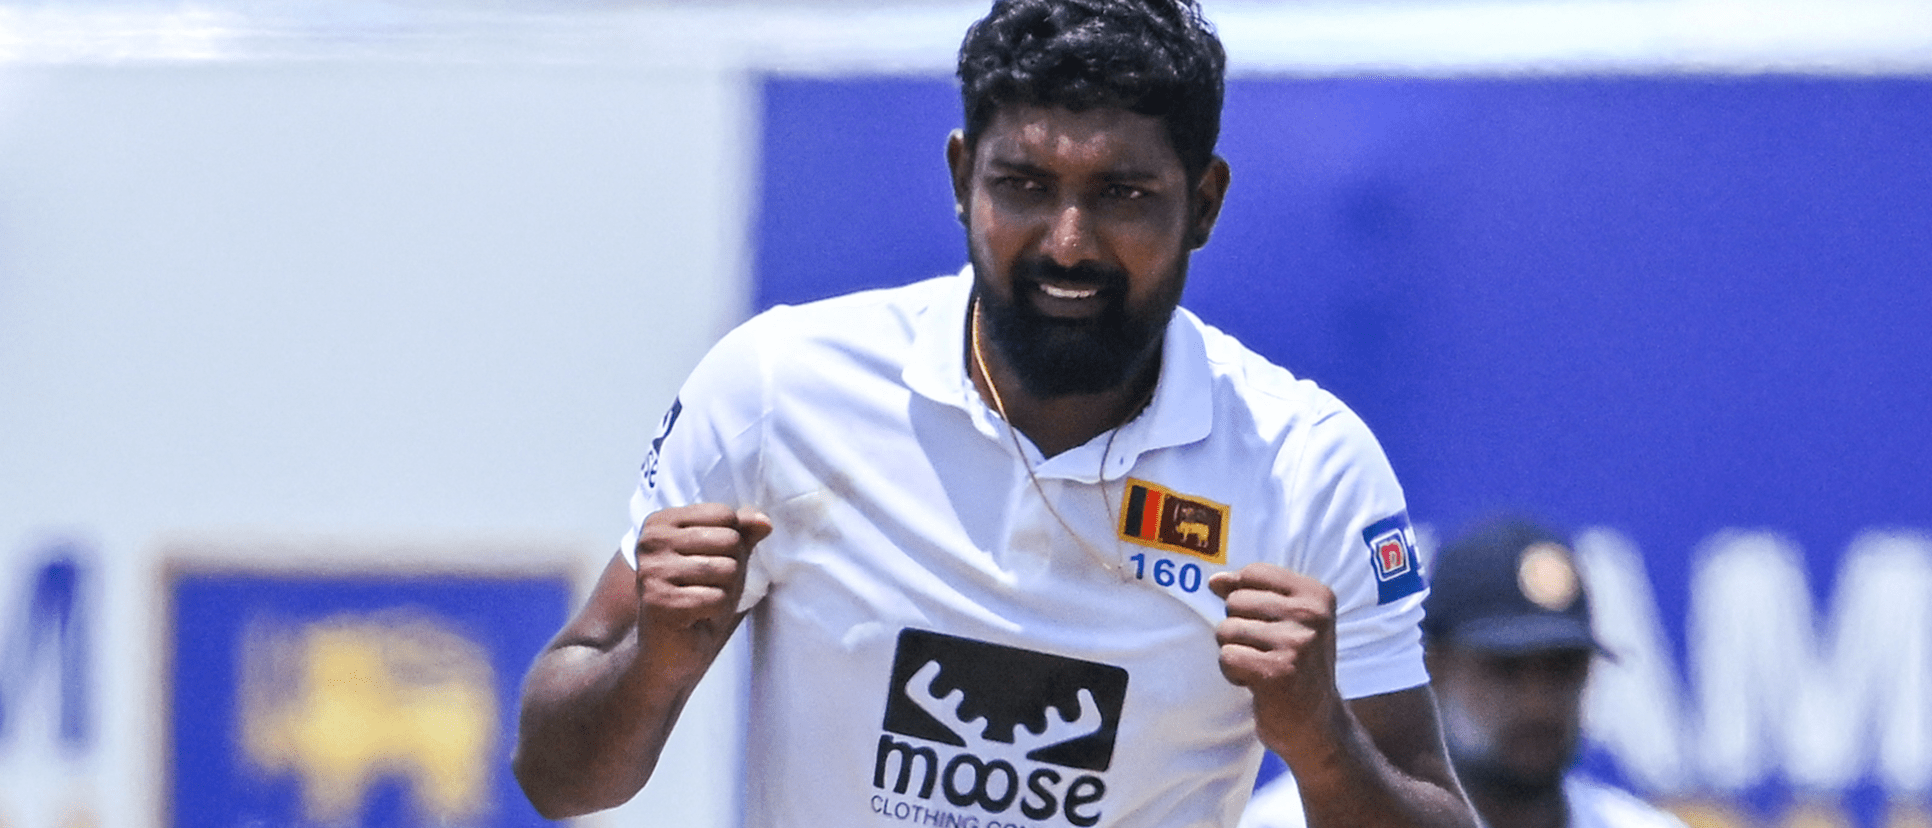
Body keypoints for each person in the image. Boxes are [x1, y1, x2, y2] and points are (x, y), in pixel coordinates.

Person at [512, 2, 1481, 827]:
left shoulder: (1306, 466)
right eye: (1024, 186)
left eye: (1123, 194)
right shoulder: (779, 386)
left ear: (1206, 202)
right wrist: (652, 663)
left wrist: (1323, 741)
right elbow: (554, 780)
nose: (1068, 242)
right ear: (960, 177)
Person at [1241, 519, 1688, 828]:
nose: (1538, 701)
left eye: (1561, 668)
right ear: (1431, 668)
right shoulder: (1289, 822)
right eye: (1505, 670)